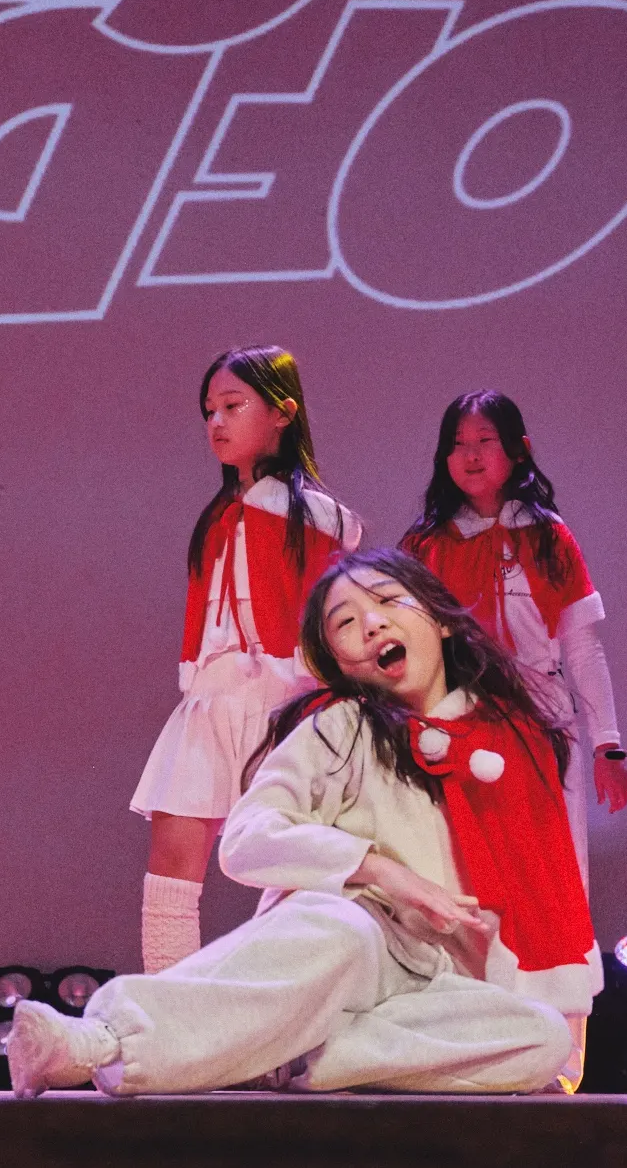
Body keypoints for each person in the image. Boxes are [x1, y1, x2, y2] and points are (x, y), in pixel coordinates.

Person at [10, 549, 594, 1098]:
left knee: (542, 1039)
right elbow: (245, 838)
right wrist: (377, 869)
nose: (371, 624)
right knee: (343, 928)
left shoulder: (512, 743)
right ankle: (101, 1041)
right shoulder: (341, 727)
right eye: (346, 622)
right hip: (355, 939)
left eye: (388, 601)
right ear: (340, 662)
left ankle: (304, 1053)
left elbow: (542, 899)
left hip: (436, 983)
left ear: (441, 621)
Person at [130, 345, 360, 973]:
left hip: (288, 702)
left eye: (233, 406)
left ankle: (290, 1007)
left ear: (283, 413)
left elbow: (332, 620)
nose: (216, 422)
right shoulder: (217, 515)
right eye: (209, 410)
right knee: (172, 860)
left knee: (293, 864)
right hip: (211, 697)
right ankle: (169, 1010)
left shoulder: (317, 516)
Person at [399, 390, 627, 884]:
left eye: (485, 440)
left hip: (543, 716)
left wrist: (608, 748)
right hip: (458, 717)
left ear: (518, 449)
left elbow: (583, 649)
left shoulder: (549, 538)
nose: (470, 454)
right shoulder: (426, 545)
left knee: (554, 866)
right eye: (457, 443)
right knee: (472, 871)